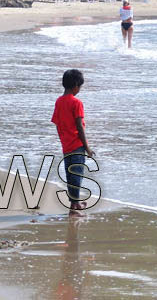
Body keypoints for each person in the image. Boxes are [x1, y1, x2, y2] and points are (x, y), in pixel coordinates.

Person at [52, 68, 94, 216]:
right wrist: (87, 146)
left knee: (70, 175)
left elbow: (57, 123)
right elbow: (79, 126)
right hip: (76, 144)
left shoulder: (59, 101)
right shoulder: (76, 103)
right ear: (76, 85)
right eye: (80, 86)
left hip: (66, 144)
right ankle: (73, 208)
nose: (80, 89)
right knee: (76, 175)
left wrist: (63, 140)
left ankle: (75, 203)